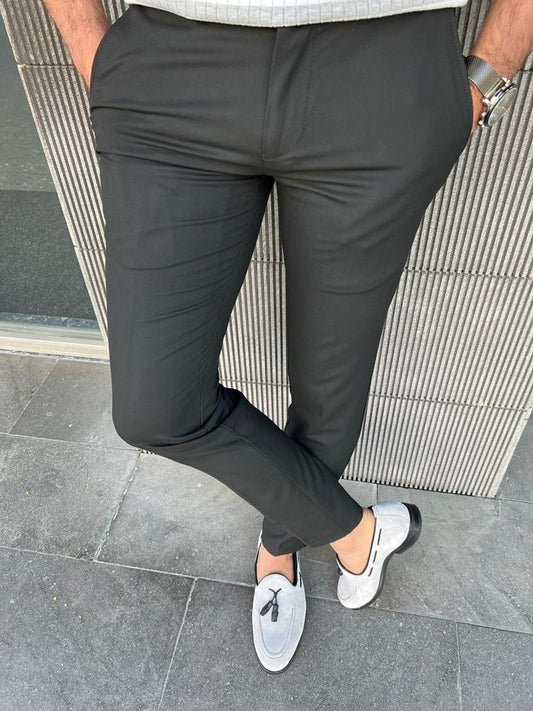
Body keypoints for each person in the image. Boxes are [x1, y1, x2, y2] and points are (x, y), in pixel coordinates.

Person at [44, 0, 530, 674]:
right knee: (155, 407)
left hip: (381, 71)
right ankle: (357, 532)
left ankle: (279, 549)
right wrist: (95, 54)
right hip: (171, 70)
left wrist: (486, 77)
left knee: (329, 382)